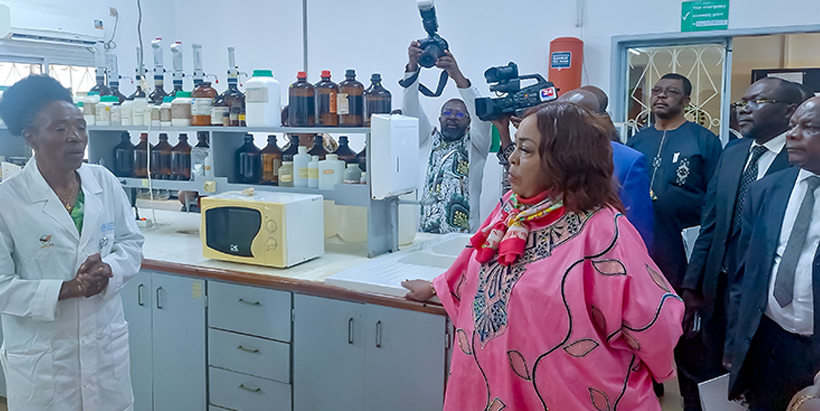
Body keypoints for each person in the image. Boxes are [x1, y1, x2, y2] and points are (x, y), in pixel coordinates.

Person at [403, 102, 683, 410]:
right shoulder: (511, 208)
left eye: (525, 150)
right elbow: (475, 258)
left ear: (563, 160)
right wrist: (434, 287)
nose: (511, 158)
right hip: (490, 384)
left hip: (568, 395)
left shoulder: (603, 230)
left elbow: (656, 325)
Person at [0, 75, 145, 410]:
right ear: (31, 137)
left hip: (104, 352)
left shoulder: (103, 181)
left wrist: (109, 268)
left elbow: (131, 243)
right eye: (60, 129)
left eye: (80, 127)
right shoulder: (8, 201)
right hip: (44, 363)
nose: (75, 138)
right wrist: (69, 288)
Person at [679, 77, 804, 406]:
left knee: (755, 378)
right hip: (717, 286)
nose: (744, 109)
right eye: (742, 102)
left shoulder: (799, 162)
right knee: (705, 371)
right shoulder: (733, 153)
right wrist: (692, 285)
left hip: (762, 297)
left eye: (757, 102)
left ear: (790, 111)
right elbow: (711, 222)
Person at [626, 73, 722, 407]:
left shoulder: (703, 141)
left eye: (671, 92)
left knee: (687, 331)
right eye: (656, 91)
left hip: (683, 250)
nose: (661, 96)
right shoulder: (638, 140)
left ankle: (694, 399)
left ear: (687, 101)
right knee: (641, 322)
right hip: (642, 250)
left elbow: (715, 201)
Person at [725, 96, 820, 411]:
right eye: (793, 125)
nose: (792, 135)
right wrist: (736, 345)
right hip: (769, 341)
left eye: (809, 128)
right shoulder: (766, 190)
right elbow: (744, 274)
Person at [494, 88, 654, 248]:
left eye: (571, 116)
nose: (512, 159)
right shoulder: (510, 205)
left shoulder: (605, 227)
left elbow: (637, 238)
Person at [402, 41, 492, 234]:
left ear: (468, 121)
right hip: (424, 235)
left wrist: (456, 75)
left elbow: (481, 116)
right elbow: (410, 109)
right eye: (447, 112)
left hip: (464, 239)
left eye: (460, 114)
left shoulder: (476, 146)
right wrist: (412, 67)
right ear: (439, 118)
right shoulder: (427, 139)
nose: (452, 116)